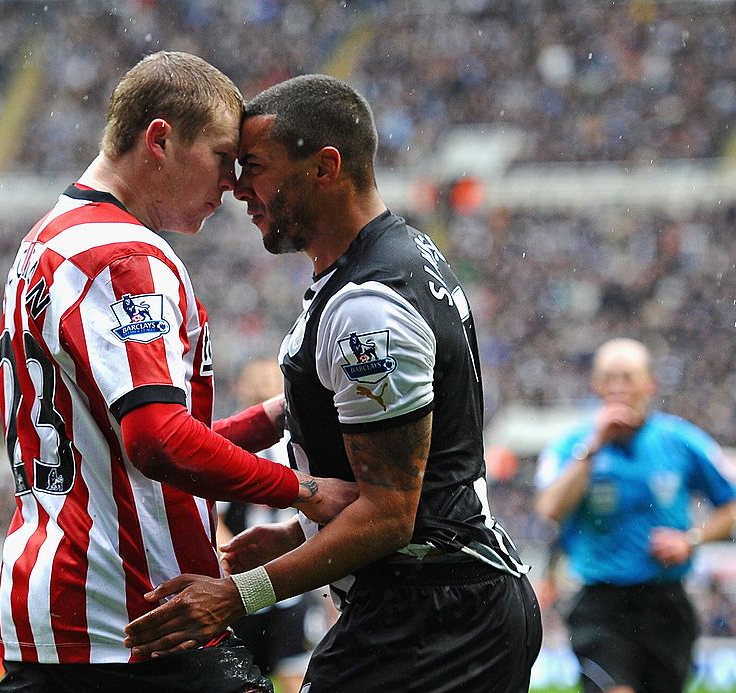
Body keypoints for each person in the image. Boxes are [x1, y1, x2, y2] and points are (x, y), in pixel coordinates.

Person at [124, 74, 543, 693]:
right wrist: (299, 531)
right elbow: (388, 464)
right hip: (434, 603)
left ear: (324, 168)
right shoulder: (384, 263)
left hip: (434, 614)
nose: (238, 188)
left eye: (256, 166)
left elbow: (390, 514)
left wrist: (238, 596)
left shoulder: (370, 305)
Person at [0, 52, 354, 693]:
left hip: (61, 602)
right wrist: (302, 491)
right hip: (136, 612)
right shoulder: (123, 254)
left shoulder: (51, 238)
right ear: (160, 139)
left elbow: (142, 441)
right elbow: (158, 440)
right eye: (221, 158)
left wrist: (269, 420)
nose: (234, 184)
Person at [533, 338, 736, 693]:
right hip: (601, 605)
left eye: (628, 377)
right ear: (596, 385)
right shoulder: (573, 446)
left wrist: (691, 540)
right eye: (609, 377)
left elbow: (733, 509)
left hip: (666, 604)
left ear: (650, 384)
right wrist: (593, 448)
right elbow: (549, 508)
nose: (618, 387)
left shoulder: (681, 441)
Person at [216, 359, 313, 693]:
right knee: (235, 677)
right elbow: (214, 518)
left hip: (288, 584)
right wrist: (232, 560)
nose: (261, 384)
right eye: (254, 378)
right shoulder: (227, 446)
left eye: (268, 378)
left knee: (294, 673)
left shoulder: (298, 445)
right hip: (243, 584)